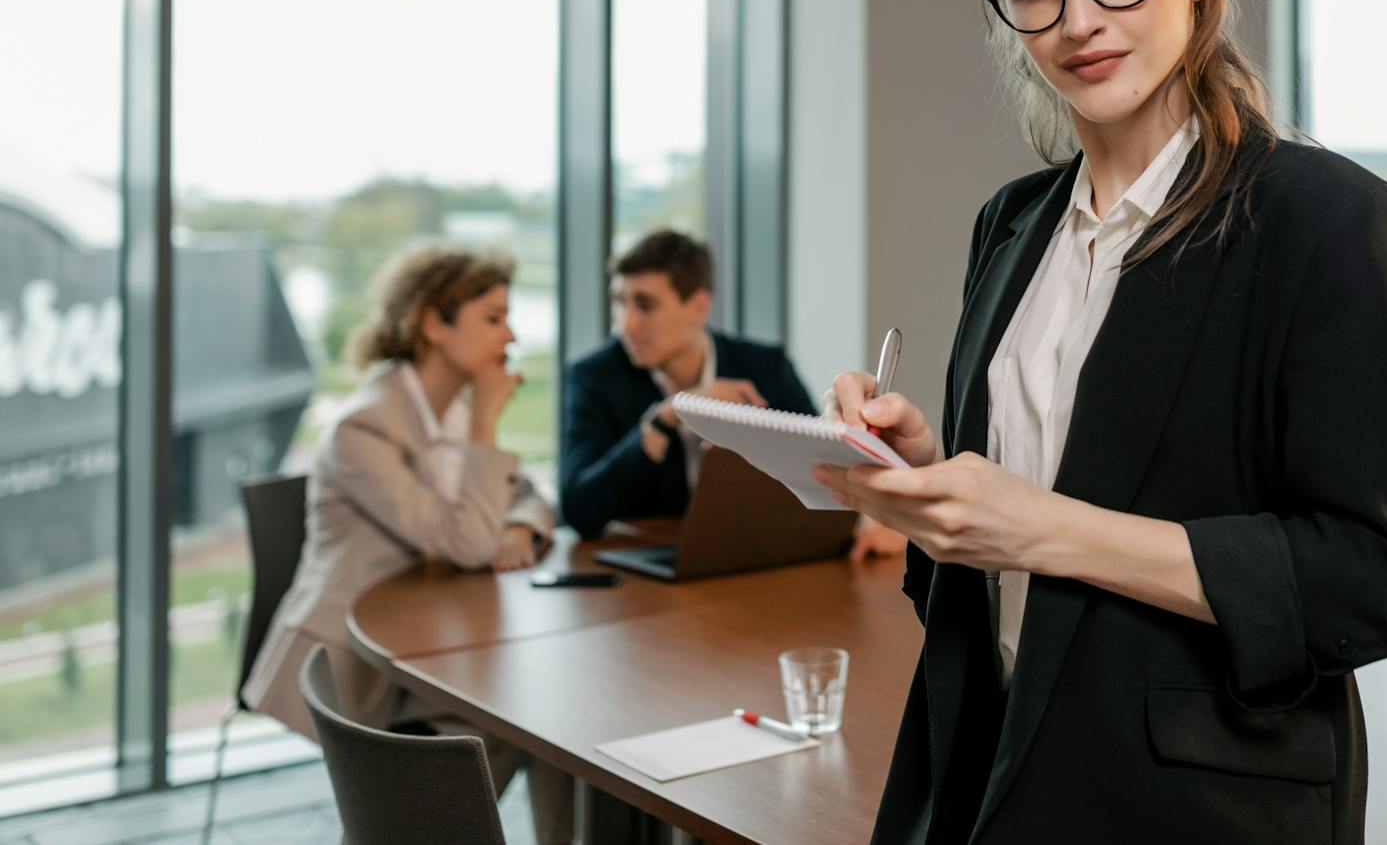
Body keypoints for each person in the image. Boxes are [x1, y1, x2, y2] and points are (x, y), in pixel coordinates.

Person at [812, 0, 1387, 844]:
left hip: (1193, 809)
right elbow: (986, 575)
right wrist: (927, 474)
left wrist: (1038, 523)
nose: (1076, 18)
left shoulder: (1325, 219)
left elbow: (1370, 581)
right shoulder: (1011, 223)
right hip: (986, 779)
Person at [242, 245, 571, 843]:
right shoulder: (364, 427)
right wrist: (487, 428)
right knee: (521, 722)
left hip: (432, 639)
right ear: (434, 324)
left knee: (544, 721)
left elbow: (529, 493)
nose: (512, 335)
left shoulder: (456, 407)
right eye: (493, 318)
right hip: (354, 662)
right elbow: (466, 542)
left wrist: (522, 527)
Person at [558, 230, 906, 558]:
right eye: (620, 303)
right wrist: (666, 417)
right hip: (653, 573)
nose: (626, 325)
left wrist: (872, 516)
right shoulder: (595, 377)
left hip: (757, 560)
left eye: (645, 306)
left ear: (698, 306)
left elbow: (821, 471)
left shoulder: (764, 367)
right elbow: (579, 509)